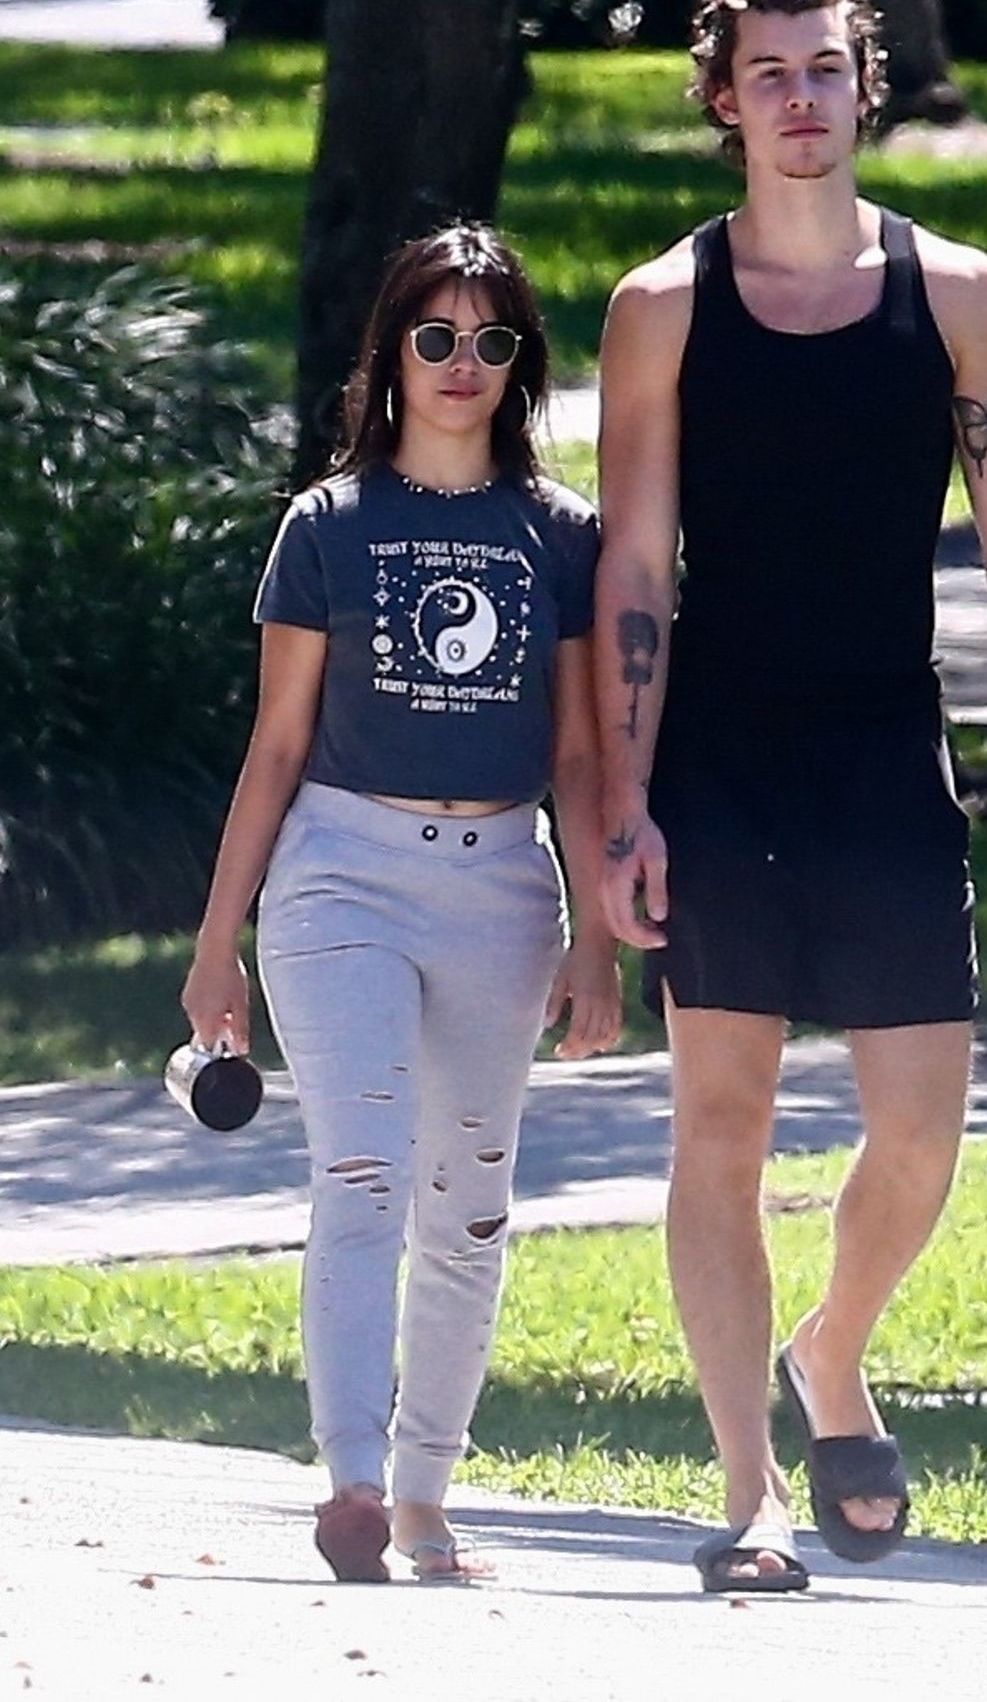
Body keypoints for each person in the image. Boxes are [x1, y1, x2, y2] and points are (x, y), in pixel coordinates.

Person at [594, 0, 987, 1593]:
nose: (800, 98)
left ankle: (833, 1347)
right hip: (720, 758)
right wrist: (623, 801)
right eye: (769, 73)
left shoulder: (952, 295)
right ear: (724, 101)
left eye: (824, 68)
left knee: (922, 1135)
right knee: (720, 1126)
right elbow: (632, 567)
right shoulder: (662, 309)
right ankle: (749, 1492)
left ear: (864, 85)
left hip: (888, 749)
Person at [182, 223, 620, 1584]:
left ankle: (428, 1497)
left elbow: (581, 756)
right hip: (340, 872)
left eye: (492, 340)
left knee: (470, 1202)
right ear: (391, 356)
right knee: (361, 1169)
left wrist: (599, 940)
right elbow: (275, 746)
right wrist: (217, 944)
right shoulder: (327, 526)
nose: (461, 363)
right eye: (435, 336)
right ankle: (354, 1480)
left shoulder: (561, 536)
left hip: (503, 885)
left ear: (521, 365)